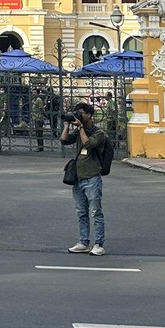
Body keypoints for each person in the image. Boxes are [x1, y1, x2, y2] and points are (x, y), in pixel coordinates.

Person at [60, 101, 108, 256]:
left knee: (96, 212)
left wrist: (80, 128)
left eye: (81, 113)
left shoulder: (98, 133)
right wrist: (68, 124)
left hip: (92, 177)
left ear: (89, 115)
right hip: (78, 178)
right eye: (77, 112)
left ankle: (99, 244)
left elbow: (88, 144)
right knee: (81, 212)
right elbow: (64, 140)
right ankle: (83, 242)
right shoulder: (78, 131)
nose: (79, 115)